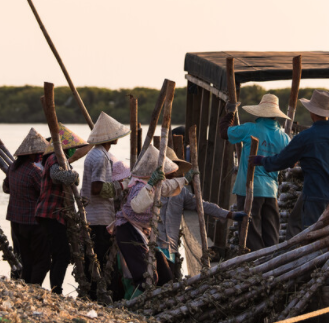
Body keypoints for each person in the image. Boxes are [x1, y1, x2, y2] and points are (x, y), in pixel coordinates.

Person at [250, 90, 329, 229]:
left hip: (316, 197)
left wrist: (262, 160)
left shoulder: (306, 137)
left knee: (312, 236)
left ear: (312, 113)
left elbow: (282, 160)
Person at [157, 146, 245, 277]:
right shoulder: (151, 190)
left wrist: (228, 214)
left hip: (171, 248)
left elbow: (201, 205)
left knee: (172, 280)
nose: (172, 171)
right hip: (155, 246)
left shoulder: (180, 192)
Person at [114, 145, 190, 297]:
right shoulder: (140, 185)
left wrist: (185, 180)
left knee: (165, 275)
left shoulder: (155, 184)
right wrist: (150, 185)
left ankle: (164, 302)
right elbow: (137, 205)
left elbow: (168, 186)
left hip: (142, 233)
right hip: (129, 231)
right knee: (144, 276)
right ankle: (139, 307)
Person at [219, 93, 290, 251]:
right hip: (271, 191)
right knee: (271, 233)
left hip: (249, 188)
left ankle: (257, 266)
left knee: (250, 233)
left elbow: (224, 132)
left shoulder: (251, 128)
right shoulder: (284, 138)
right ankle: (272, 262)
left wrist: (230, 113)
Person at [82, 112, 129, 302]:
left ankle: (92, 295)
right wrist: (121, 186)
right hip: (99, 218)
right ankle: (96, 296)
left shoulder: (95, 153)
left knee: (93, 260)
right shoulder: (101, 157)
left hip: (93, 215)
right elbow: (97, 188)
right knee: (99, 259)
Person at [35, 123, 87, 295]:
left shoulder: (57, 158)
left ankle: (55, 288)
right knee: (62, 254)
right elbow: (57, 176)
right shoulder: (55, 158)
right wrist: (75, 176)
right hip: (51, 213)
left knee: (58, 254)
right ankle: (56, 290)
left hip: (52, 213)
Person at [5, 128, 51, 285]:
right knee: (43, 260)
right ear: (31, 154)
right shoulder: (34, 171)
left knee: (26, 258)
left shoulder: (13, 167)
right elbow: (45, 193)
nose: (41, 155)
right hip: (33, 222)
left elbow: (6, 188)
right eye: (39, 152)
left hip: (16, 220)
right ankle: (34, 286)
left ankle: (26, 285)